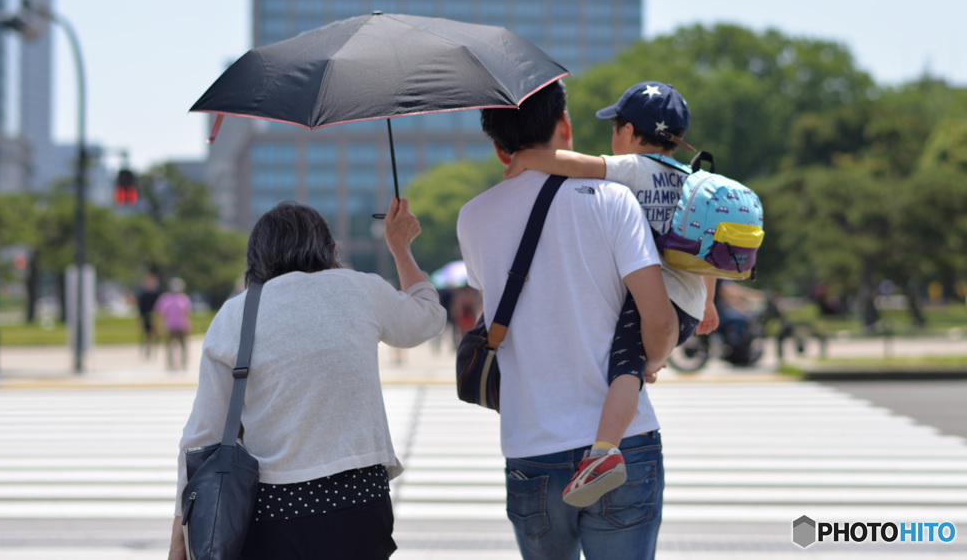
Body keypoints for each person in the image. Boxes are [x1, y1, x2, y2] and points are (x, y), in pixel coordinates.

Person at [457, 80, 678, 560]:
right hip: (623, 446)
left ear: (499, 150)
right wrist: (649, 365)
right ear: (566, 126)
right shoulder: (613, 201)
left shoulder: (472, 218)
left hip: (531, 446)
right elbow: (659, 321)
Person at [167, 198, 445, 560]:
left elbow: (202, 436)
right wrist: (400, 248)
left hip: (275, 511)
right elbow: (428, 316)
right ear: (330, 249)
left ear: (256, 257)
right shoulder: (361, 288)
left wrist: (179, 535)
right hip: (360, 504)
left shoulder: (236, 314)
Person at [504, 80, 719, 507]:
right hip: (690, 302)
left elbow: (577, 165)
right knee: (639, 363)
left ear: (627, 131)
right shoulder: (695, 180)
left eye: (614, 127)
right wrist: (709, 303)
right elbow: (707, 252)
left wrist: (525, 157)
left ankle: (603, 452)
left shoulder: (634, 169)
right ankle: (647, 372)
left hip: (655, 301)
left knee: (624, 370)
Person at [154, 277, 193, 371]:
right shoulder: (165, 298)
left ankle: (183, 364)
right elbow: (159, 312)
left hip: (181, 325)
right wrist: (158, 325)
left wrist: (189, 324)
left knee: (183, 346)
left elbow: (187, 313)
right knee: (169, 347)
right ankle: (170, 365)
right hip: (170, 326)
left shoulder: (183, 298)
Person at [136, 271, 161, 358]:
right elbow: (140, 306)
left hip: (154, 315)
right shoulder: (143, 293)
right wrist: (141, 318)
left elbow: (159, 305)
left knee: (155, 333)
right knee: (146, 333)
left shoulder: (156, 293)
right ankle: (147, 349)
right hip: (146, 315)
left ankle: (153, 350)